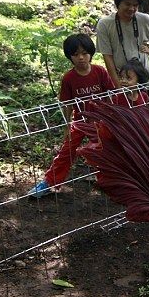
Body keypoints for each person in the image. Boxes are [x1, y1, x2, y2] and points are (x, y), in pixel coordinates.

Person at [28, 33, 115, 198]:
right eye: (76, 54)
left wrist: (110, 117)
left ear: (91, 53)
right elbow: (67, 104)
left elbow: (110, 93)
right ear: (70, 56)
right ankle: (49, 182)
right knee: (66, 151)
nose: (81, 58)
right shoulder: (69, 78)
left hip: (100, 121)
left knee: (104, 150)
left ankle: (110, 182)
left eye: (84, 53)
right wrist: (67, 126)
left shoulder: (100, 71)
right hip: (80, 120)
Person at [96, 0, 149, 88]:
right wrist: (118, 86)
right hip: (122, 81)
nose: (131, 8)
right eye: (127, 4)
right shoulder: (105, 24)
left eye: (135, 5)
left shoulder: (144, 19)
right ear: (118, 3)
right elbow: (107, 57)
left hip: (144, 80)